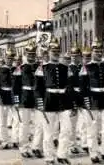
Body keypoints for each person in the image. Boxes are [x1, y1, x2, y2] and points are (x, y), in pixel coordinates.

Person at [35, 37, 76, 165]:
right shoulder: (43, 68)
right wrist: (40, 104)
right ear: (49, 52)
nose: (56, 53)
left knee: (67, 129)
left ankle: (62, 154)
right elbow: (38, 88)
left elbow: (69, 87)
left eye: (58, 51)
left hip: (64, 102)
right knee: (49, 132)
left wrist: (73, 104)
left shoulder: (65, 67)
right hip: (49, 101)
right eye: (53, 51)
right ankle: (49, 157)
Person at [79, 38, 104, 164]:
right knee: (92, 129)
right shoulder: (86, 67)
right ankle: (94, 153)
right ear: (92, 51)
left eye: (100, 51)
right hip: (92, 100)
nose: (99, 53)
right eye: (96, 50)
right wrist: (86, 102)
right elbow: (83, 87)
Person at [0, 48, 16, 150]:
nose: (10, 60)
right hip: (2, 96)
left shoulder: (16, 69)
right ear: (5, 58)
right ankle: (5, 141)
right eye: (8, 58)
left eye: (11, 58)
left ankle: (15, 139)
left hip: (13, 96)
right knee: (2, 120)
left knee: (16, 119)